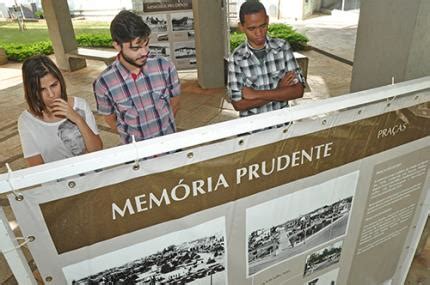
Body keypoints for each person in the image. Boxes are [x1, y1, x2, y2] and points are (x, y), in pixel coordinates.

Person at [93, 10, 180, 144]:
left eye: (146, 44)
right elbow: (110, 119)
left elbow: (175, 101)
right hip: (136, 154)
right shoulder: (103, 84)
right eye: (136, 48)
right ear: (117, 45)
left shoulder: (165, 67)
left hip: (168, 145)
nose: (144, 52)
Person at [18, 55, 103, 167]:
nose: (51, 94)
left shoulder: (80, 105)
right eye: (41, 89)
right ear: (31, 91)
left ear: (61, 81)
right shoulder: (26, 121)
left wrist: (77, 119)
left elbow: (97, 149)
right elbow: (36, 167)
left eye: (54, 85)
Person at [227, 0, 305, 117]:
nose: (259, 33)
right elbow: (238, 105)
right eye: (252, 28)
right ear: (241, 27)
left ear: (267, 20)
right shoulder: (237, 58)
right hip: (252, 129)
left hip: (281, 126)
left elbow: (298, 91)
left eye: (263, 26)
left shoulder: (282, 48)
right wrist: (280, 89)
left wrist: (255, 94)